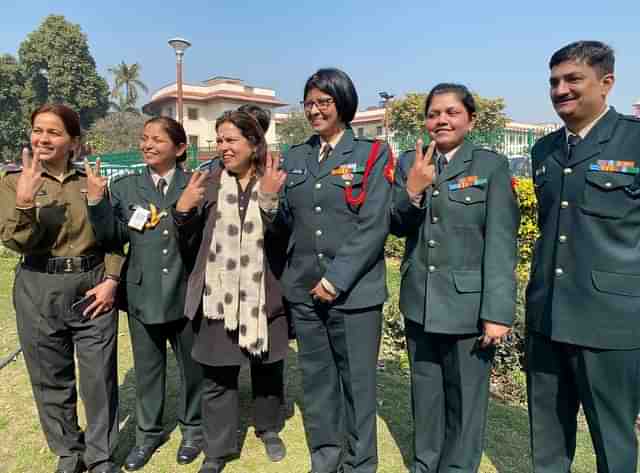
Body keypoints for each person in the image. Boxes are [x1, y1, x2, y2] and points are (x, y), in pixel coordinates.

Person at [259, 68, 393, 473]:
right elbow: (285, 226)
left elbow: (373, 226)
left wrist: (335, 279)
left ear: (343, 103)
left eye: (324, 102)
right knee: (318, 384)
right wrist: (267, 201)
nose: (314, 110)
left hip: (353, 294)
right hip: (303, 290)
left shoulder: (372, 154)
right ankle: (325, 458)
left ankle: (360, 463)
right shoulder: (296, 156)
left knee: (357, 386)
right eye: (309, 103)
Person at [391, 83, 519, 473]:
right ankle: (424, 465)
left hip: (468, 307)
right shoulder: (409, 163)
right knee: (425, 397)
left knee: (464, 400)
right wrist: (412, 190)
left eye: (451, 112)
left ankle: (459, 468)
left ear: (471, 119)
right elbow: (396, 226)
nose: (441, 120)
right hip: (421, 302)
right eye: (433, 113)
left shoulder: (490, 165)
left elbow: (501, 241)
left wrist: (497, 312)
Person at [526, 40, 640, 473]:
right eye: (554, 81)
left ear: (606, 83)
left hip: (610, 323)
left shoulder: (634, 140)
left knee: (613, 442)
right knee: (549, 443)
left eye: (573, 79)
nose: (560, 90)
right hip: (547, 318)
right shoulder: (545, 152)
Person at [0, 104, 123, 473]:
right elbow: (13, 240)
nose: (42, 138)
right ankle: (69, 452)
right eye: (38, 130)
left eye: (54, 132)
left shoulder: (92, 181)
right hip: (39, 286)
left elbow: (114, 239)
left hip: (92, 286)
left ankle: (100, 455)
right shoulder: (11, 181)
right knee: (50, 377)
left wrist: (111, 280)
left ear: (74, 142)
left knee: (99, 377)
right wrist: (24, 201)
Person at [172, 110, 289, 473]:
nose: (223, 147)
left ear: (254, 144)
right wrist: (182, 212)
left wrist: (269, 201)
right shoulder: (207, 184)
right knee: (217, 374)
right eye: (219, 140)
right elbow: (189, 244)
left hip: (262, 291)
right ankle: (217, 449)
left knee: (267, 367)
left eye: (231, 139)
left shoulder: (273, 180)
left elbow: (285, 239)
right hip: (218, 296)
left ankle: (267, 427)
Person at [85, 117, 204, 471]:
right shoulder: (126, 187)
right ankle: (147, 435)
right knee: (148, 371)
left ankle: (194, 429)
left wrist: (186, 209)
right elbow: (111, 237)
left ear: (180, 148)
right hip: (143, 293)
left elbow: (200, 242)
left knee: (192, 368)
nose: (147, 145)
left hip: (186, 292)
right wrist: (96, 202)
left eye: (157, 139)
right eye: (144, 139)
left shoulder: (195, 184)